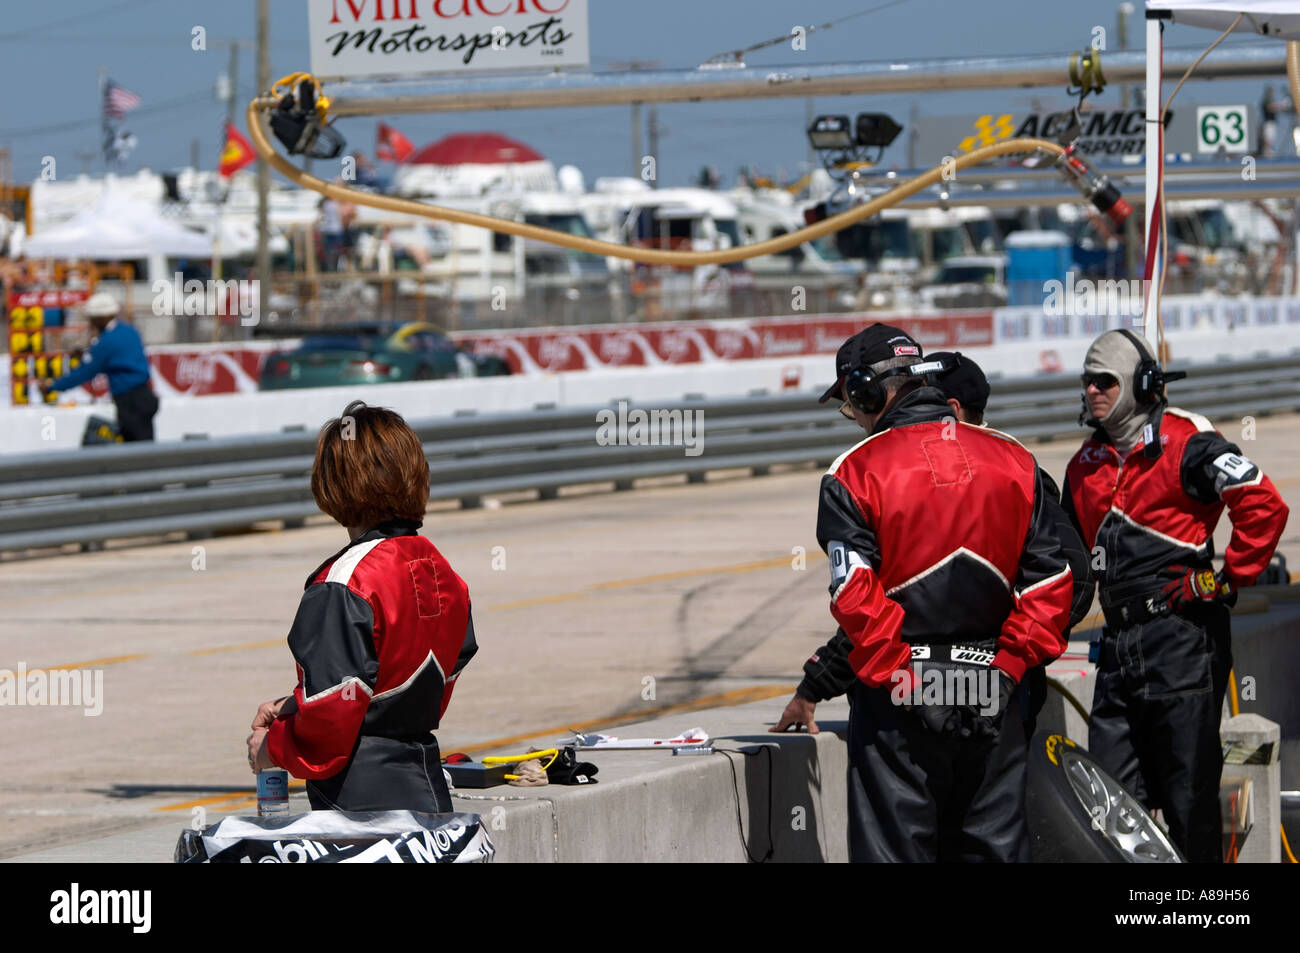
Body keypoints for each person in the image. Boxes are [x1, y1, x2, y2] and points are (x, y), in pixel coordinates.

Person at [774, 324, 1074, 862]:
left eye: (851, 405)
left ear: (868, 391)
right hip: (997, 690)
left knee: (896, 851)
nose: (856, 418)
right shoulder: (1015, 460)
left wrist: (901, 680)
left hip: (899, 701)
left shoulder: (853, 473)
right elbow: (1053, 585)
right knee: (996, 850)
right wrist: (1006, 669)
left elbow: (855, 599)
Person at [1062, 330, 1288, 862]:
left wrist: (1226, 579)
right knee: (1110, 803)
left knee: (1190, 800)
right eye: (1087, 382)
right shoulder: (1084, 464)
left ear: (1139, 385)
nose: (1092, 391)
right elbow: (1068, 564)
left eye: (1105, 382)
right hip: (1117, 647)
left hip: (1181, 642)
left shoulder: (1188, 442)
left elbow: (1264, 506)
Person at [246, 401, 478, 813]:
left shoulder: (344, 582)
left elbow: (330, 728)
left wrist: (273, 747)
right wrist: (298, 703)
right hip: (427, 795)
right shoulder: (445, 573)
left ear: (334, 484)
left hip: (359, 806)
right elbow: (402, 690)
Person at [43, 291, 159, 441]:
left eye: (93, 319)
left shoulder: (106, 342)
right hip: (145, 397)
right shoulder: (129, 331)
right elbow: (116, 357)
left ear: (102, 318)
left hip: (130, 404)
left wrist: (52, 386)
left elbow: (85, 372)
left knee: (136, 451)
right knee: (144, 445)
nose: (91, 323)